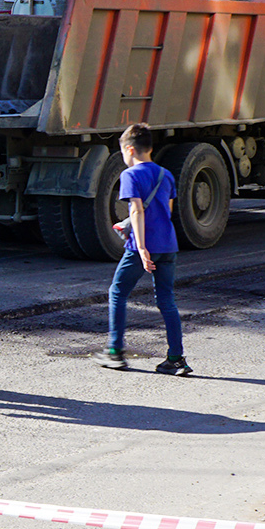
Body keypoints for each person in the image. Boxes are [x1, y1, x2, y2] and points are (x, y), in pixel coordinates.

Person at [94, 123, 191, 375]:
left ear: (129, 149)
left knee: (117, 292)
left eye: (123, 153)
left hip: (142, 246)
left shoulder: (130, 175)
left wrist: (142, 247)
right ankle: (176, 359)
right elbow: (165, 211)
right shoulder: (166, 174)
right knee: (167, 301)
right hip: (168, 245)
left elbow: (137, 209)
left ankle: (115, 352)